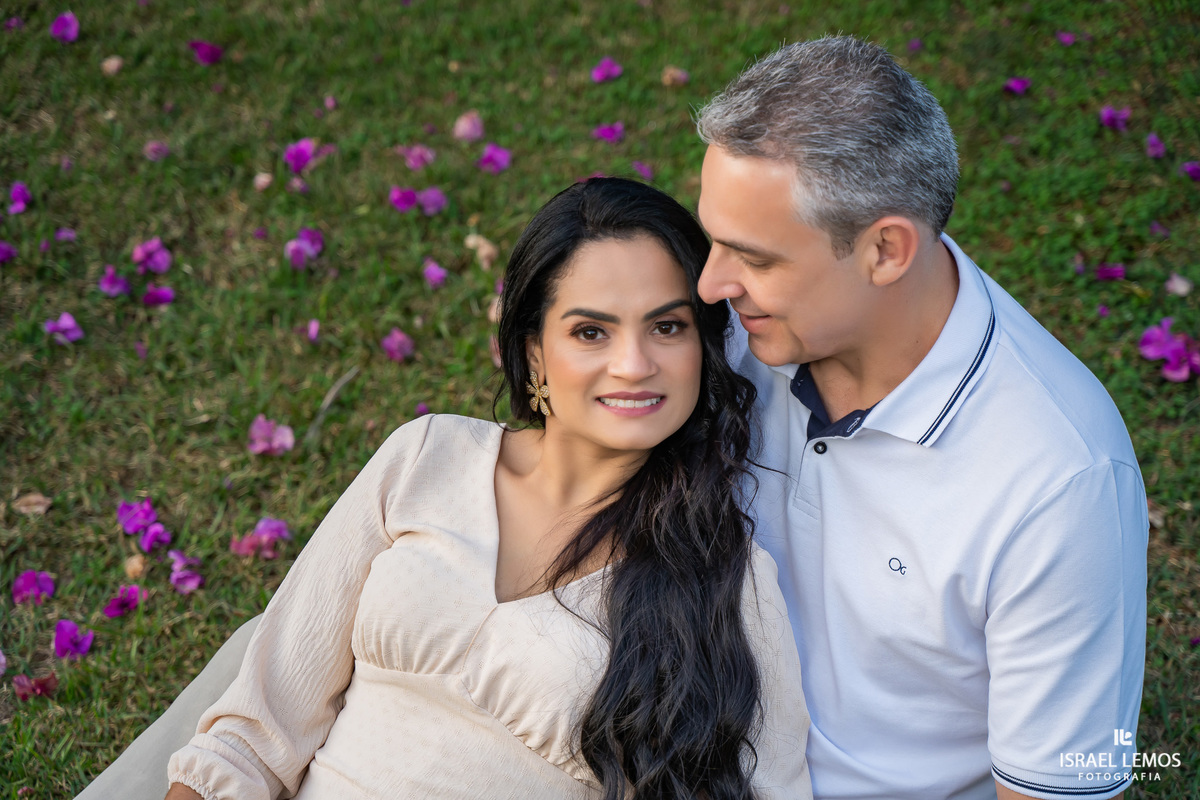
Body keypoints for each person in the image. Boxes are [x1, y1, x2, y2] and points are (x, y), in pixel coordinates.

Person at [147, 178, 812, 799]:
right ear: (533, 352)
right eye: (590, 332)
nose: (634, 365)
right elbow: (252, 734)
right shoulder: (428, 457)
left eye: (667, 327)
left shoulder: (726, 577)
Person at [692, 36, 1148, 800]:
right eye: (713, 239)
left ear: (886, 250)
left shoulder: (1060, 485)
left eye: (757, 258)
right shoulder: (737, 334)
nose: (710, 286)